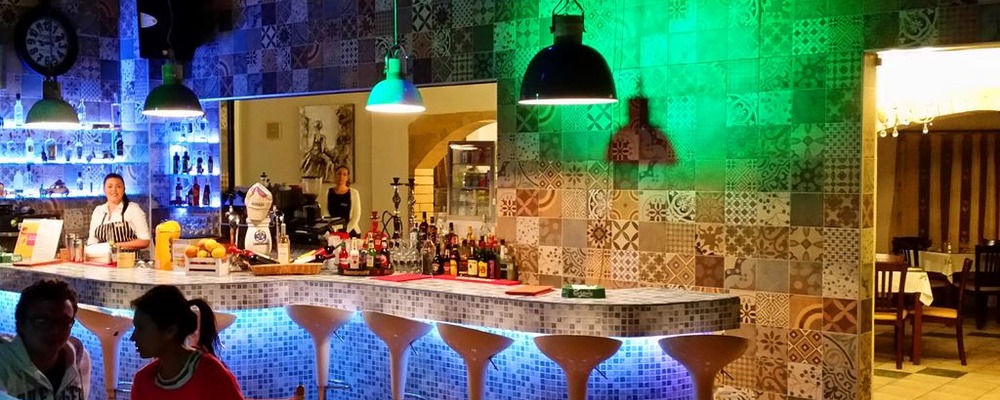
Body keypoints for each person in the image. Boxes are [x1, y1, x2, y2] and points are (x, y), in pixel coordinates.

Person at [129, 285, 244, 400]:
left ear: (170, 331)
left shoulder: (210, 374)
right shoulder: (142, 380)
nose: (133, 337)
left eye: (141, 329)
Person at [0, 279, 91, 400]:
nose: (54, 330)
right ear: (21, 323)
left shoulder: (80, 359)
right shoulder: (4, 362)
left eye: (63, 322)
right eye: (42, 321)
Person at [87, 173, 151, 250]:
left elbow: (145, 241)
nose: (114, 189)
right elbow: (92, 242)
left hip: (128, 257)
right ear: (104, 190)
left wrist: (114, 246)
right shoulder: (98, 211)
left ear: (124, 189)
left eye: (118, 186)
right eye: (110, 186)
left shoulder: (133, 209)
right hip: (102, 257)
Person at [326, 165, 361, 237]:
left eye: (344, 174)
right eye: (339, 174)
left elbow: (356, 216)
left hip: (350, 232)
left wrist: (345, 231)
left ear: (347, 177)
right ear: (335, 175)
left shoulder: (354, 193)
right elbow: (325, 213)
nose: (341, 177)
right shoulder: (329, 192)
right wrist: (333, 230)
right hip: (333, 233)